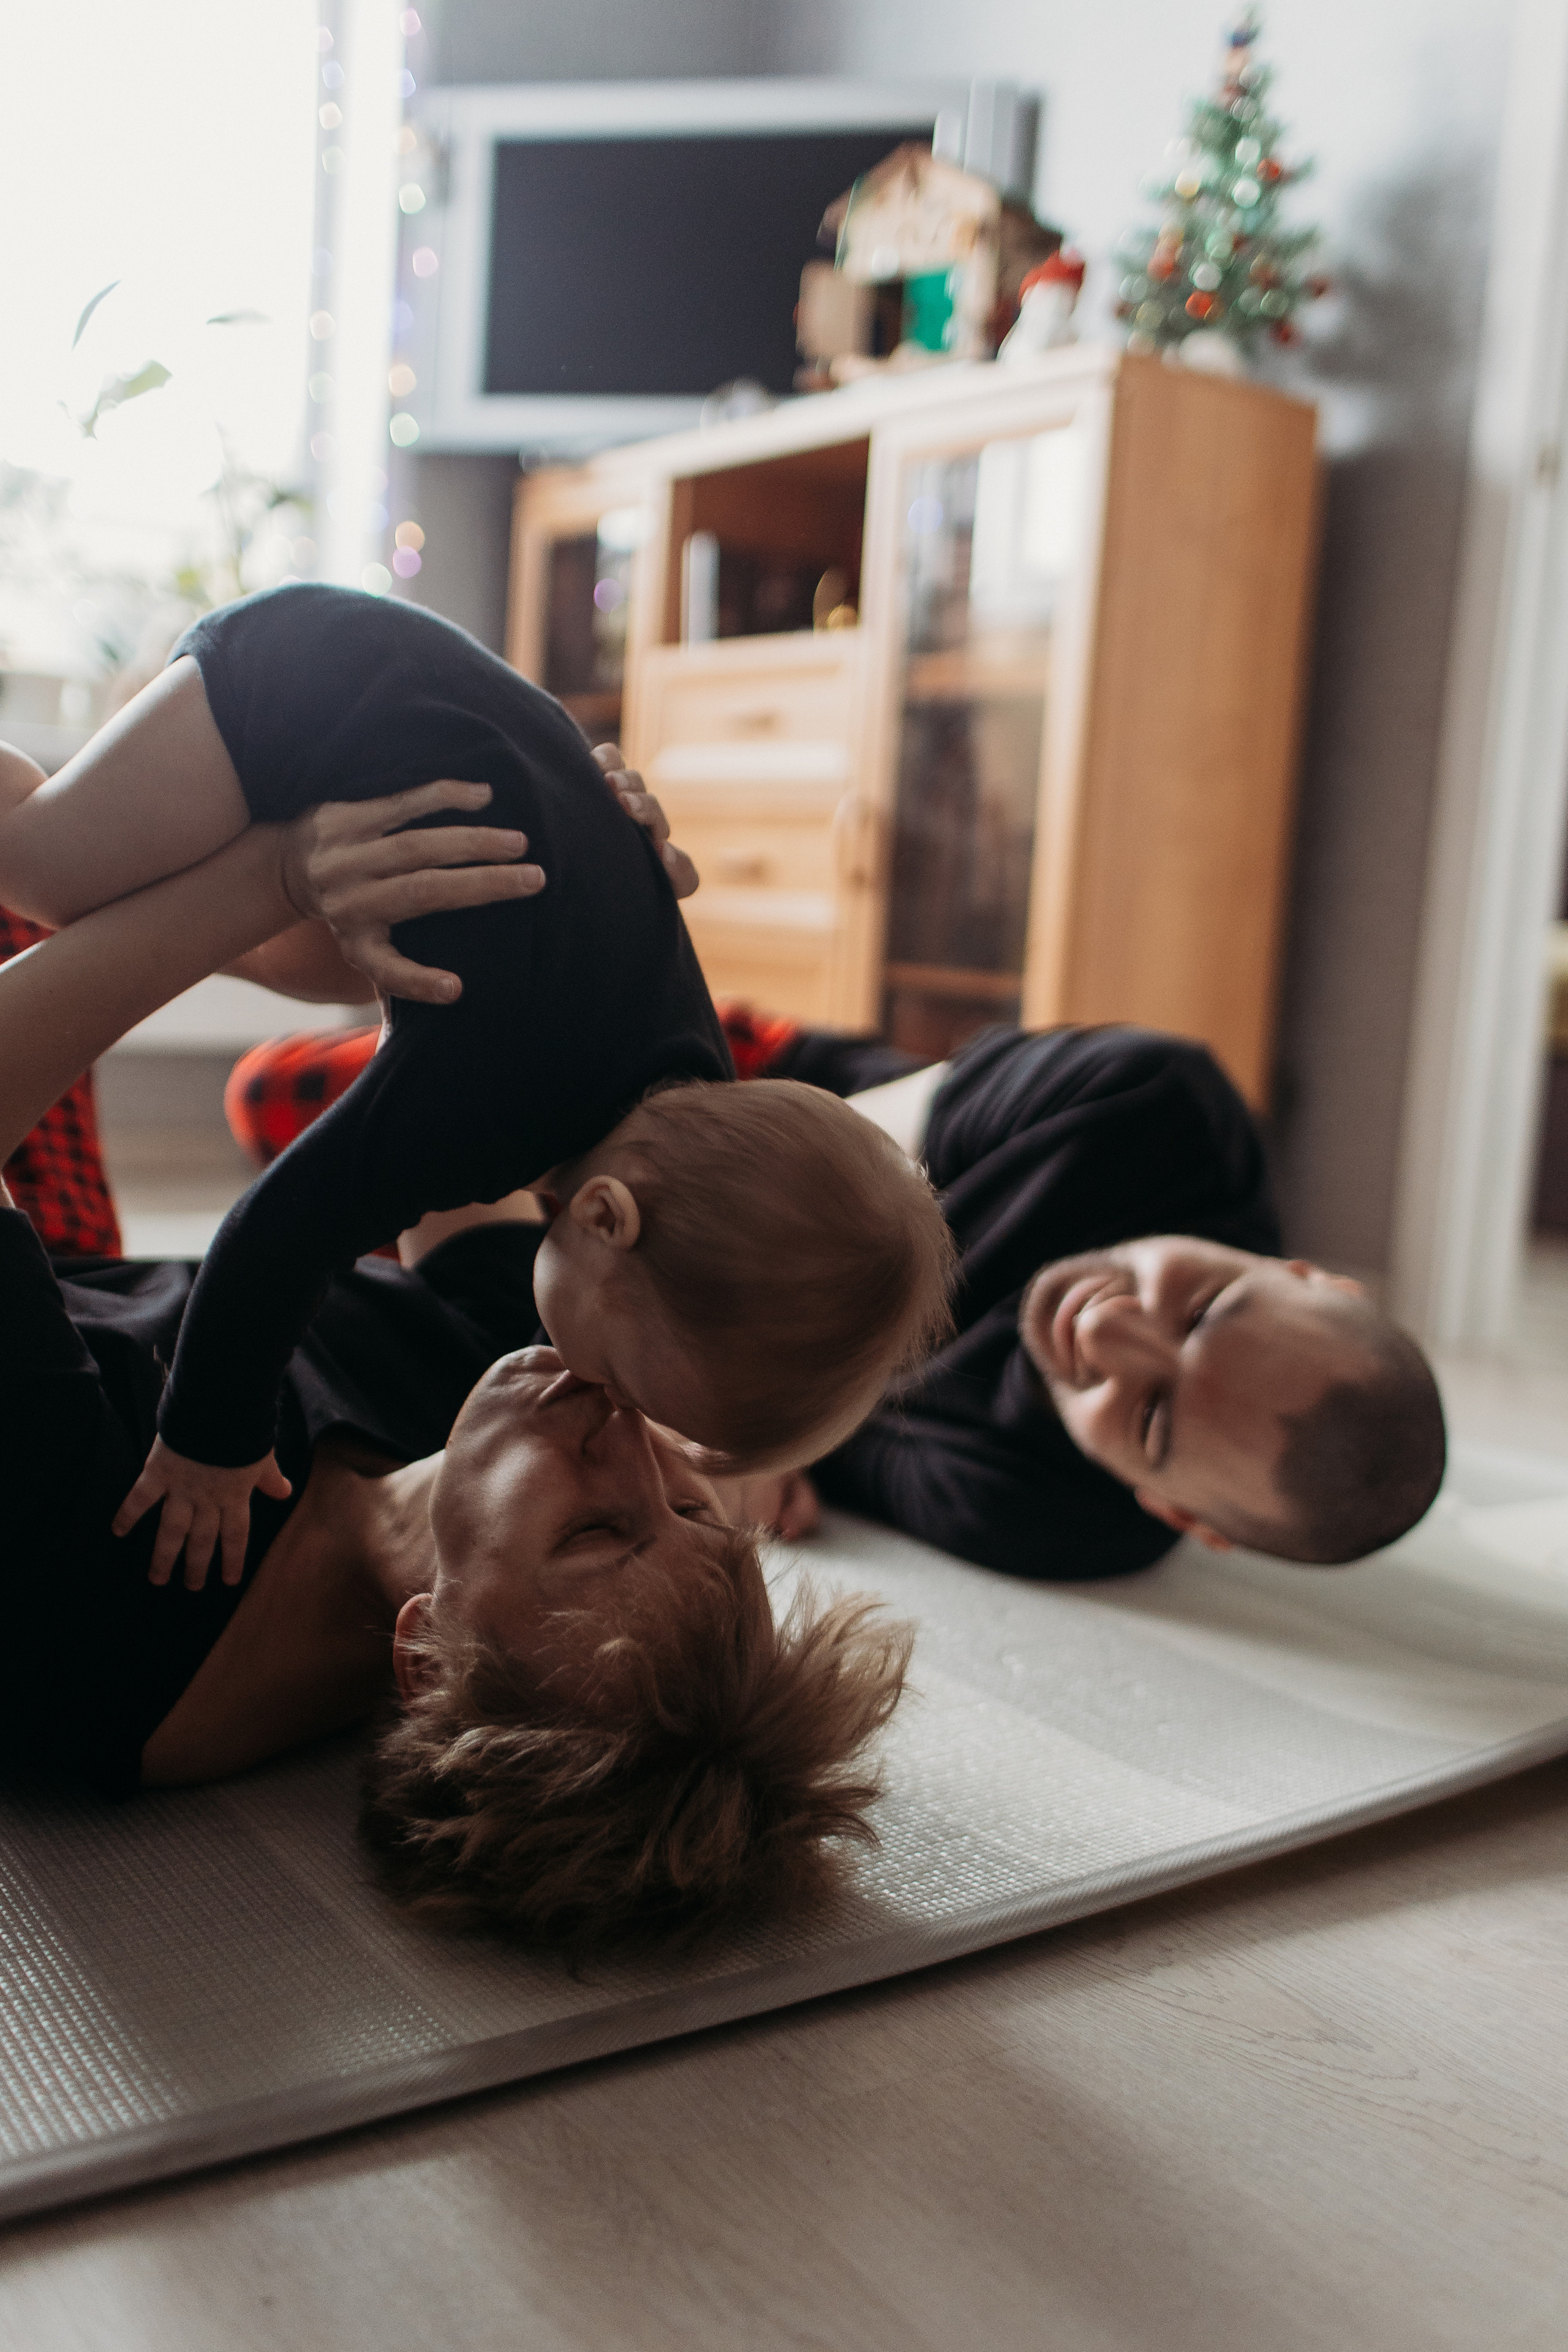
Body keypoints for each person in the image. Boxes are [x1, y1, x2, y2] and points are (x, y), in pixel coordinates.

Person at [0, 784, 911, 1952]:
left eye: (596, 1532)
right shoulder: (505, 1407)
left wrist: (271, 881)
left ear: (428, 1657)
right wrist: (561, 873)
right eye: (691, 1508)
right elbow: (462, 1071)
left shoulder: (84, 1595)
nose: (625, 1437)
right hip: (84, 1277)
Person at [0, 584, 953, 1591]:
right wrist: (211, 1441)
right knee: (42, 866)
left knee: (109, 886)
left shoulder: (694, 1086)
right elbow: (276, 1235)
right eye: (625, 1388)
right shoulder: (487, 1110)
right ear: (604, 1212)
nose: (604, 1410)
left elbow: (680, 1260)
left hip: (426, 709)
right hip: (309, 682)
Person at [231, 995, 1447, 1579]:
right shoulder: (1156, 1107)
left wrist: (728, 1442)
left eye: (1150, 1416)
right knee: (274, 1101)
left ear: (1177, 1514)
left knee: (468, 1359)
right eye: (1203, 1306)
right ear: (1301, 1271)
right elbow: (812, 1158)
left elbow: (782, 1453)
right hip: (750, 1127)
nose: (1111, 1330)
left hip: (705, 1335)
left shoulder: (1048, 1516)